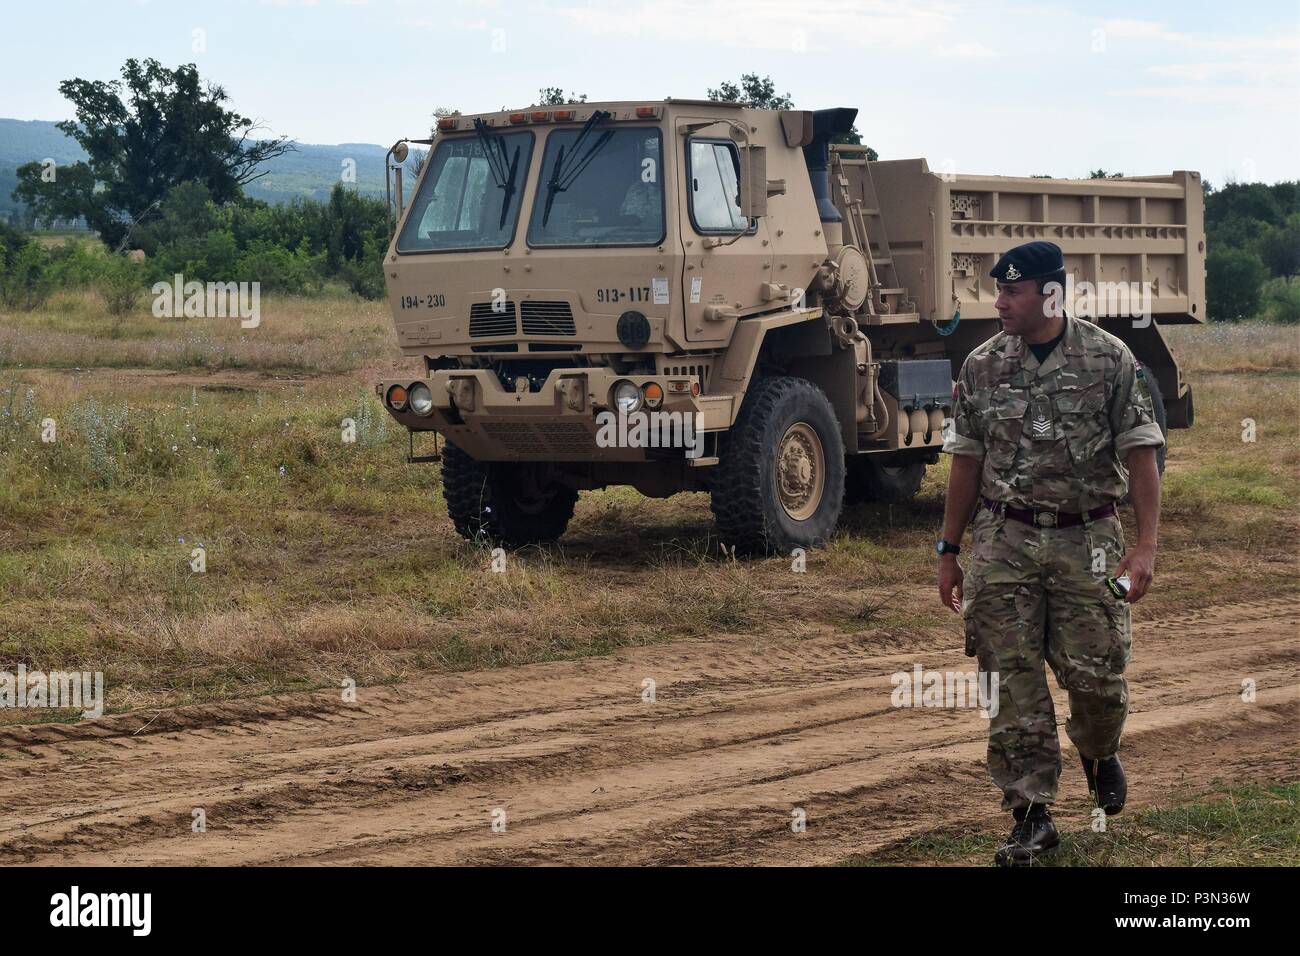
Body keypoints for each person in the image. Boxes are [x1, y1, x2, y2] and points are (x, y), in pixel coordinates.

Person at [936, 240, 1164, 866]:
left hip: (1088, 539)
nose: (999, 301)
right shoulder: (981, 366)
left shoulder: (1109, 359)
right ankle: (1031, 814)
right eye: (998, 289)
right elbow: (966, 461)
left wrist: (1144, 547)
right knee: (1009, 678)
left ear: (1051, 294)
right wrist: (949, 549)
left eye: (1012, 291)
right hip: (1003, 539)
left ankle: (1098, 750)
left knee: (1097, 677)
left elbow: (1142, 454)